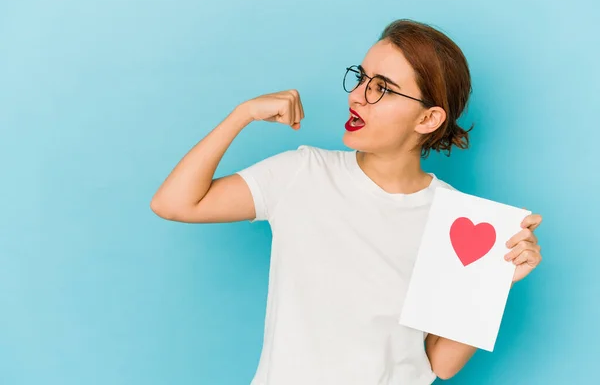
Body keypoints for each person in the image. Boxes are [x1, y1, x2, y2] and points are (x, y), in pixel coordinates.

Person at [150, 19, 543, 385]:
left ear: (427, 119)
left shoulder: (458, 219)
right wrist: (242, 114)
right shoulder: (301, 173)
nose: (357, 95)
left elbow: (441, 363)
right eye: (361, 78)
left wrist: (494, 283)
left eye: (382, 88)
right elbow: (175, 204)